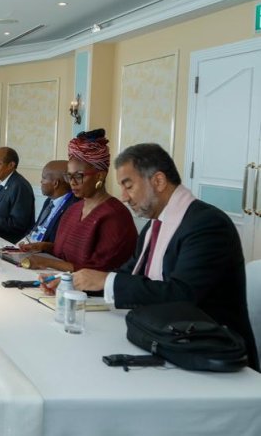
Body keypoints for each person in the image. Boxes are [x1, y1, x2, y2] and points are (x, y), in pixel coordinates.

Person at [71, 143, 258, 370]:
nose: (124, 197)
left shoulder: (207, 225)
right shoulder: (154, 226)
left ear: (158, 181)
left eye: (128, 186)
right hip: (167, 339)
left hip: (212, 353)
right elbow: (129, 274)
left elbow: (182, 295)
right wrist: (78, 282)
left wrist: (107, 281)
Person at [20, 129, 136, 272]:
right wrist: (43, 246)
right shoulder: (73, 210)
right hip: (60, 281)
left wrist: (48, 262)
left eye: (79, 176)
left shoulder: (115, 216)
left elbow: (99, 272)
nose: (72, 182)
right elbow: (65, 252)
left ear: (100, 176)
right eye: (69, 176)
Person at [23, 160, 78, 243]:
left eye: (44, 178)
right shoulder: (49, 201)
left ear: (55, 183)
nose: (41, 181)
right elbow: (36, 228)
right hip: (31, 244)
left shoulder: (73, 207)